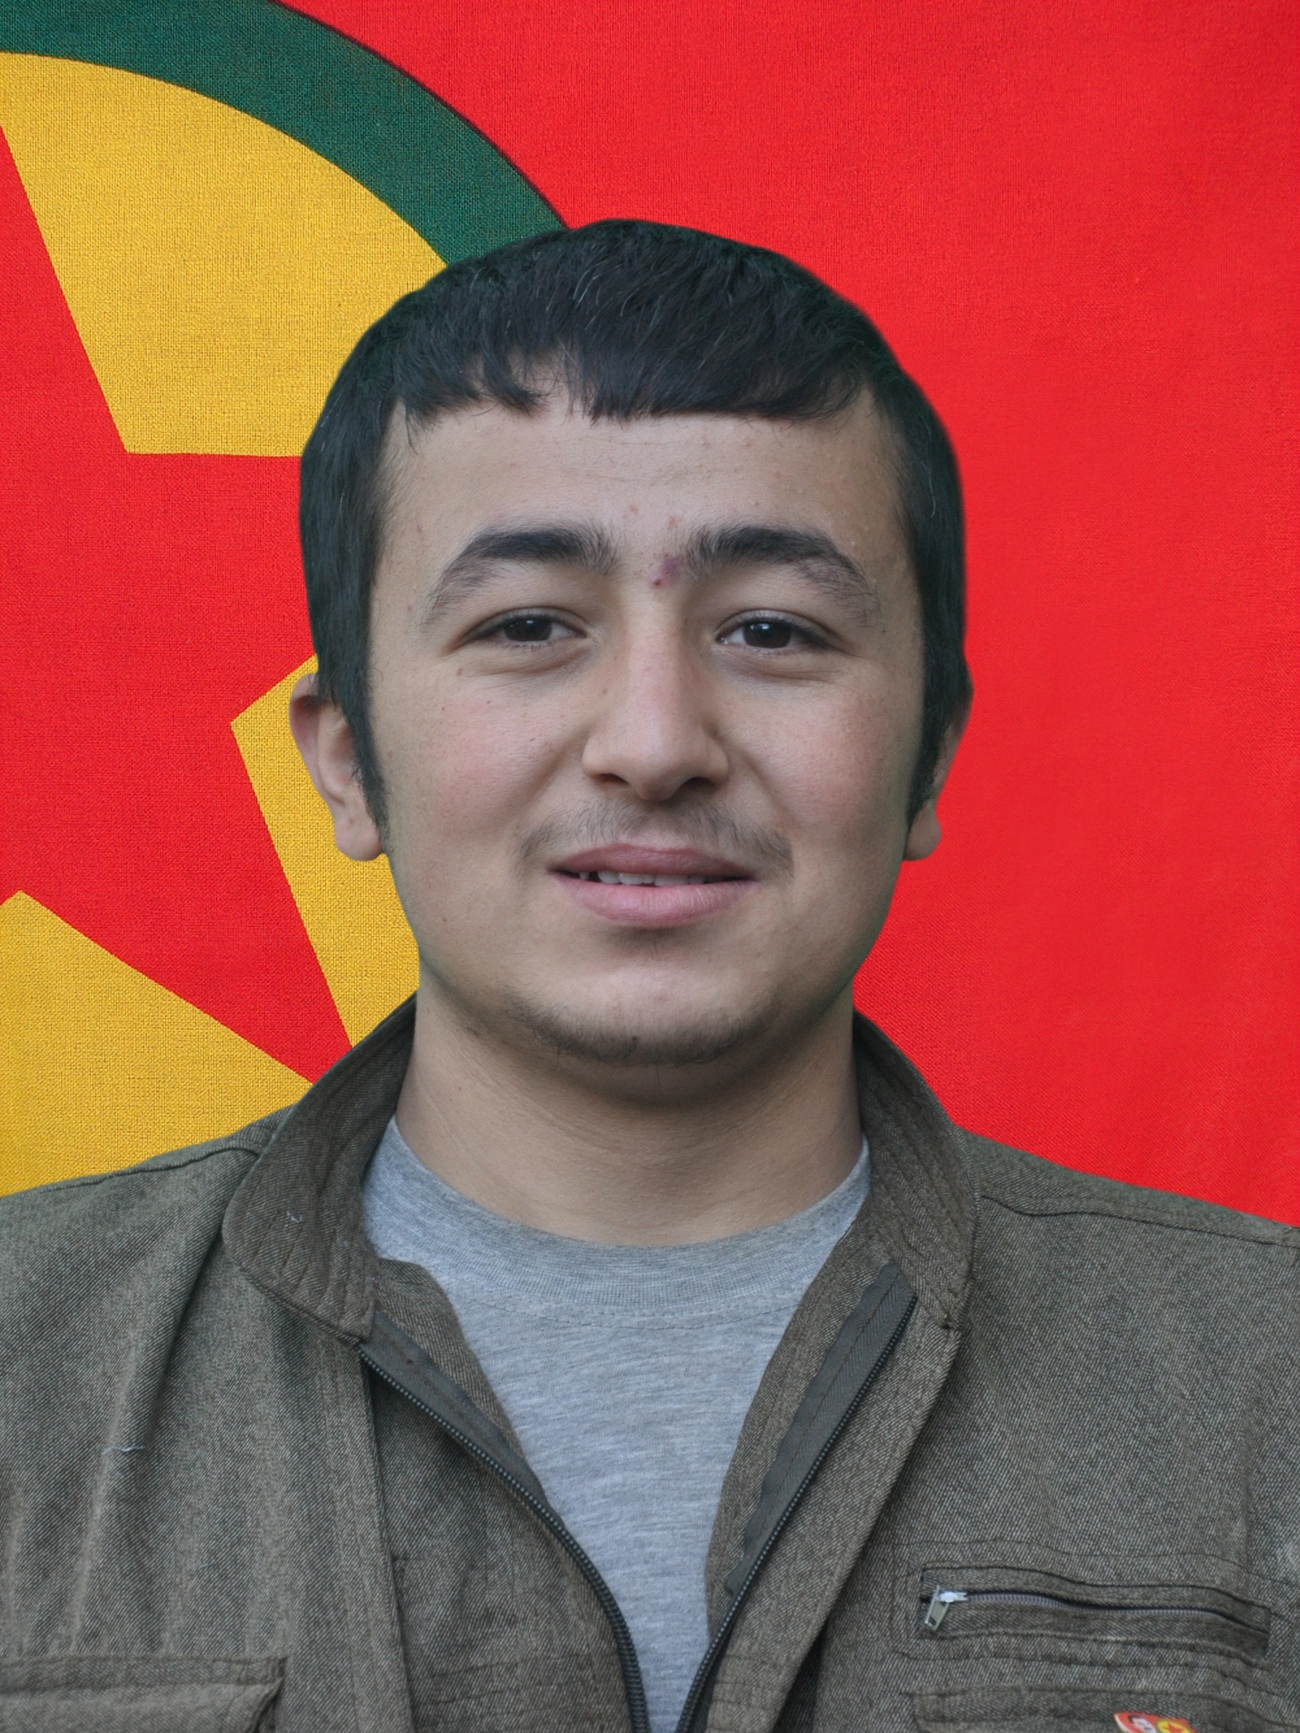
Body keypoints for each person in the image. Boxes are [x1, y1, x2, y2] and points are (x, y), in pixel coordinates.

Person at [1, 221, 1295, 1733]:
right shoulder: (28, 1365)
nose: (658, 741)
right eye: (529, 625)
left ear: (929, 755)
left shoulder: (1264, 1376)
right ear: (348, 761)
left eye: (773, 630)